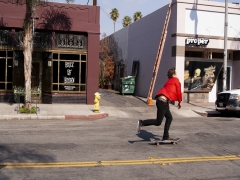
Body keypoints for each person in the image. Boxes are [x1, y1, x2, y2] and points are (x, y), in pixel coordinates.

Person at [137, 67, 182, 141]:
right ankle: (142, 122)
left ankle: (165, 136)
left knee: (169, 117)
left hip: (161, 101)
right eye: (176, 74)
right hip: (162, 102)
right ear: (173, 74)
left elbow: (167, 93)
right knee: (158, 122)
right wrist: (180, 101)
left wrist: (167, 105)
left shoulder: (168, 82)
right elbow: (178, 91)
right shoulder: (175, 80)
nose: (176, 75)